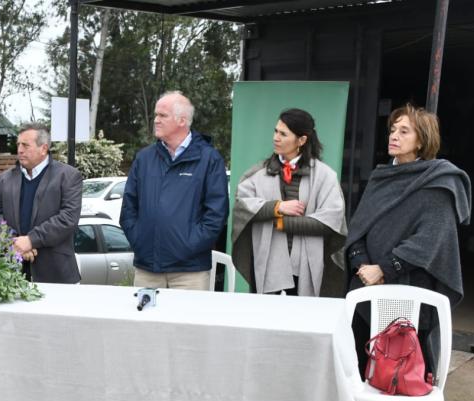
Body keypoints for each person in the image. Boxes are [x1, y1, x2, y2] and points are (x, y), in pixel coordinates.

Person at [345, 104, 471, 401]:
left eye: (404, 131)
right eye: (393, 130)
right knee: (358, 349)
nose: (395, 136)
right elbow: (358, 227)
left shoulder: (437, 181)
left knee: (400, 354)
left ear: (422, 139)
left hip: (409, 285)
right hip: (365, 283)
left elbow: (431, 238)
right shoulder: (381, 177)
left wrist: (386, 267)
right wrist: (361, 263)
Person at [120, 91, 228, 290]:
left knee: (186, 322)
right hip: (148, 268)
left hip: (190, 272)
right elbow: (128, 208)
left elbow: (216, 215)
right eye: (156, 115)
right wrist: (140, 241)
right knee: (145, 322)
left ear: (182, 120)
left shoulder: (209, 159)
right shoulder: (144, 158)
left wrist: (188, 247)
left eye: (163, 115)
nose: (156, 120)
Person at [232, 108, 347, 296]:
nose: (276, 138)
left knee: (302, 319)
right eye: (276, 131)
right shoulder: (258, 173)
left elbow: (332, 220)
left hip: (305, 264)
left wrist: (282, 223)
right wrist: (277, 207)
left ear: (301, 140)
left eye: (283, 134)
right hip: (268, 260)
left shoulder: (325, 175)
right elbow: (242, 208)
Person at [0, 121, 83, 283]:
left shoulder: (68, 176)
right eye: (18, 144)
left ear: (43, 148)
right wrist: (15, 242)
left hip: (56, 275)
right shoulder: (6, 179)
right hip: (11, 276)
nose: (19, 150)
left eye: (25, 145)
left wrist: (31, 240)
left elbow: (68, 219)